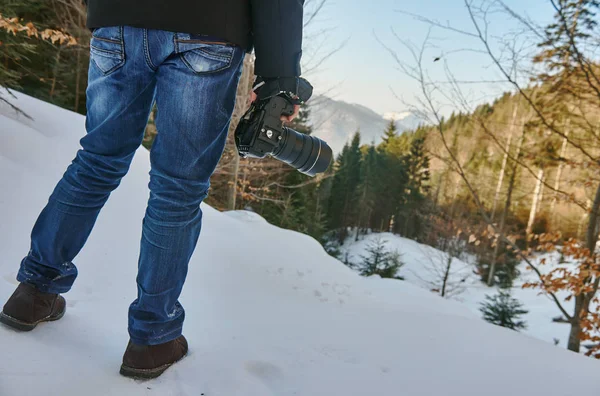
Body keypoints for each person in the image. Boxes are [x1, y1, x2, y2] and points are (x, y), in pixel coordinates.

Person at [0, 0, 305, 379]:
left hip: (121, 19)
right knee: (177, 190)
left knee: (95, 162)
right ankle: (152, 338)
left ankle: (33, 292)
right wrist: (280, 78)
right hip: (207, 27)